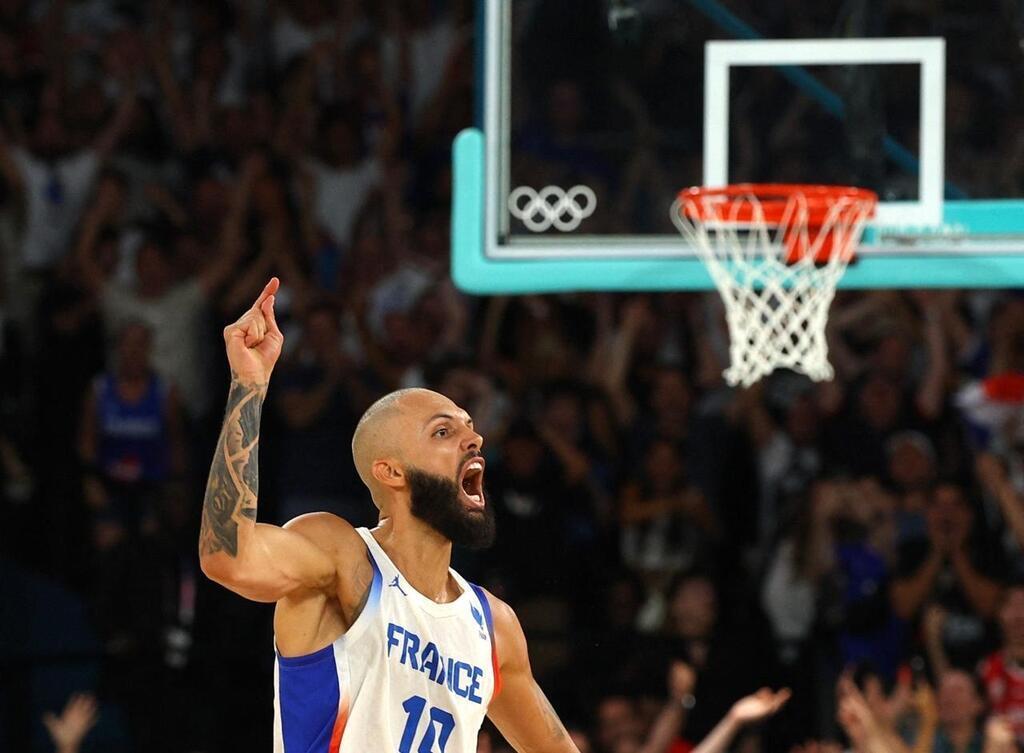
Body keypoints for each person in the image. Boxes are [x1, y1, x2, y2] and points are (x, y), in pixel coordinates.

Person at [199, 278, 585, 751]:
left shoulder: (493, 626)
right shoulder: (342, 557)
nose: (473, 439)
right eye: (443, 432)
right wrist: (249, 385)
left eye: (470, 427)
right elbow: (227, 556)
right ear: (391, 471)